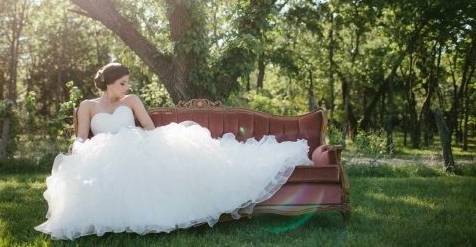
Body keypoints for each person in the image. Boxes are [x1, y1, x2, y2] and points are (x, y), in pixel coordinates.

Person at [35, 63, 313, 240]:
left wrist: (141, 142)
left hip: (135, 143)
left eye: (127, 82)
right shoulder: (88, 106)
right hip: (103, 150)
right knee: (91, 170)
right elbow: (82, 136)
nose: (127, 87)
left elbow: (146, 125)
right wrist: (78, 148)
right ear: (109, 82)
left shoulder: (131, 100)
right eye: (122, 83)